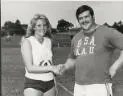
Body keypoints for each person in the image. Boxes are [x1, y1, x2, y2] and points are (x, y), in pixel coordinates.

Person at [59, 5, 123, 96]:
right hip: (79, 86)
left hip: (99, 86)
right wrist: (64, 66)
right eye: (80, 18)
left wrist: (115, 66)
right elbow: (72, 59)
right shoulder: (76, 38)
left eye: (86, 17)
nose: (84, 20)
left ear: (93, 17)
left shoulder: (107, 32)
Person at [21, 13, 61, 96]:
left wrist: (54, 82)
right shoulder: (27, 42)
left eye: (44, 25)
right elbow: (30, 68)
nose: (42, 28)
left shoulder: (48, 41)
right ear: (34, 27)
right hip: (33, 83)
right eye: (39, 25)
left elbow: (49, 63)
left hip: (50, 84)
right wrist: (52, 68)